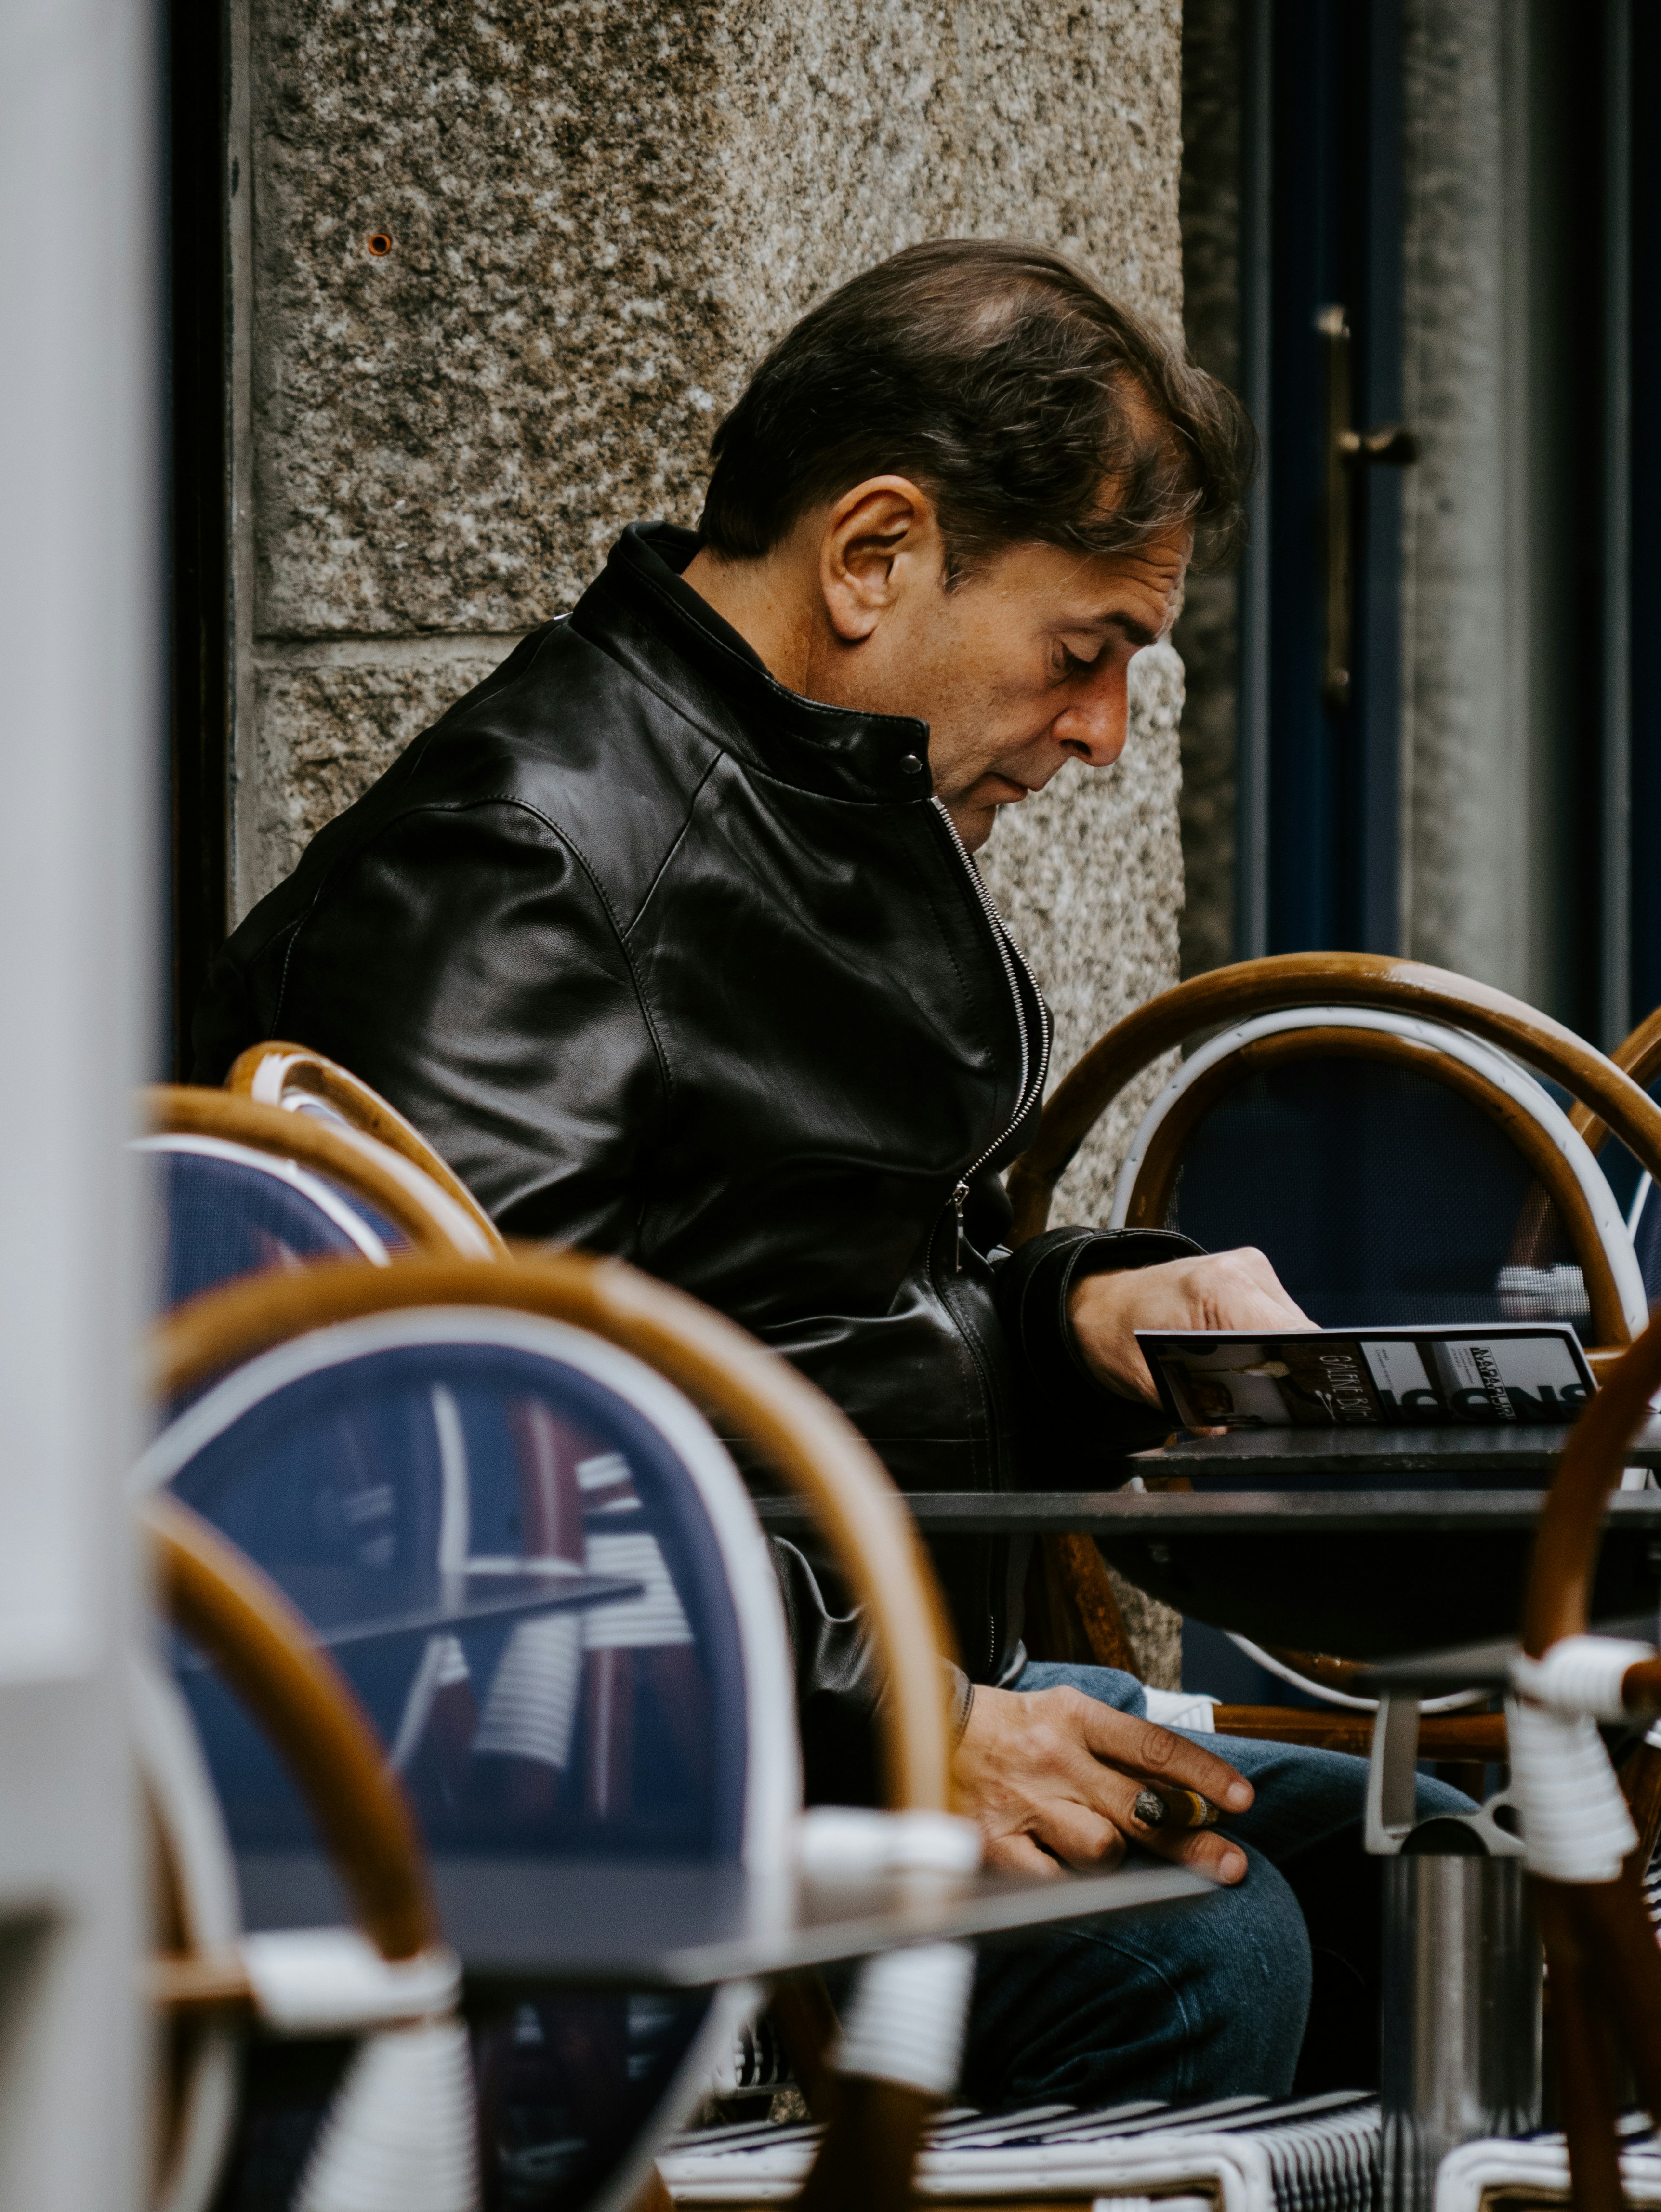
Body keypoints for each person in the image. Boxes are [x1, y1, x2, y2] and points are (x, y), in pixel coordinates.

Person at [194, 238, 1462, 2106]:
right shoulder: (514, 878)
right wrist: (913, 1716)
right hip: (608, 1789)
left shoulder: (810, 793)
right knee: (1208, 1950)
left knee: (1421, 1852)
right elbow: (460, 1484)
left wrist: (1088, 1316)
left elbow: (801, 1323)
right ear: (873, 555)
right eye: (1087, 650)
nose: (1108, 731)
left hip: (818, 1682)